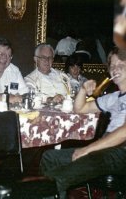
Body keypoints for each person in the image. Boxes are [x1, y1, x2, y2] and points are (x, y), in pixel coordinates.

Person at [40, 47, 126, 199]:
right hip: (107, 148)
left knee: (61, 175)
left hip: (122, 151)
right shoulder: (114, 97)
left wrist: (87, 149)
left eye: (121, 65)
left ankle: (38, 190)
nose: (115, 69)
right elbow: (80, 108)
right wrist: (83, 90)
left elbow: (124, 132)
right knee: (50, 157)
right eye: (112, 66)